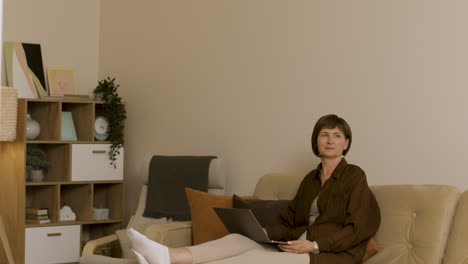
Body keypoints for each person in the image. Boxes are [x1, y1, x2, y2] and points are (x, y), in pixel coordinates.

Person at [127, 114, 381, 264]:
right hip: (297, 244)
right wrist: (262, 232)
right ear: (316, 140)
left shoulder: (354, 176)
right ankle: (168, 256)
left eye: (337, 136)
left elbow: (357, 228)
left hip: (329, 255)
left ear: (346, 143)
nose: (330, 140)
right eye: (324, 134)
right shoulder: (310, 180)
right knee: (239, 239)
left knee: (253, 259)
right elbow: (290, 220)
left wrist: (314, 245)